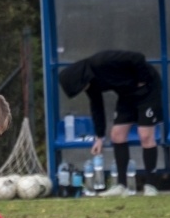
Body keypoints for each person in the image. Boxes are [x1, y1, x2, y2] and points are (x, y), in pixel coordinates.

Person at [59, 50, 162, 197]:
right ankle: (121, 186)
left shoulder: (101, 61)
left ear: (79, 79)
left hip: (147, 89)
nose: (82, 91)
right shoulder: (90, 83)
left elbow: (138, 57)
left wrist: (141, 80)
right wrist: (99, 137)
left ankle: (151, 185)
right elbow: (97, 107)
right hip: (127, 95)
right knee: (117, 135)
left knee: (145, 136)